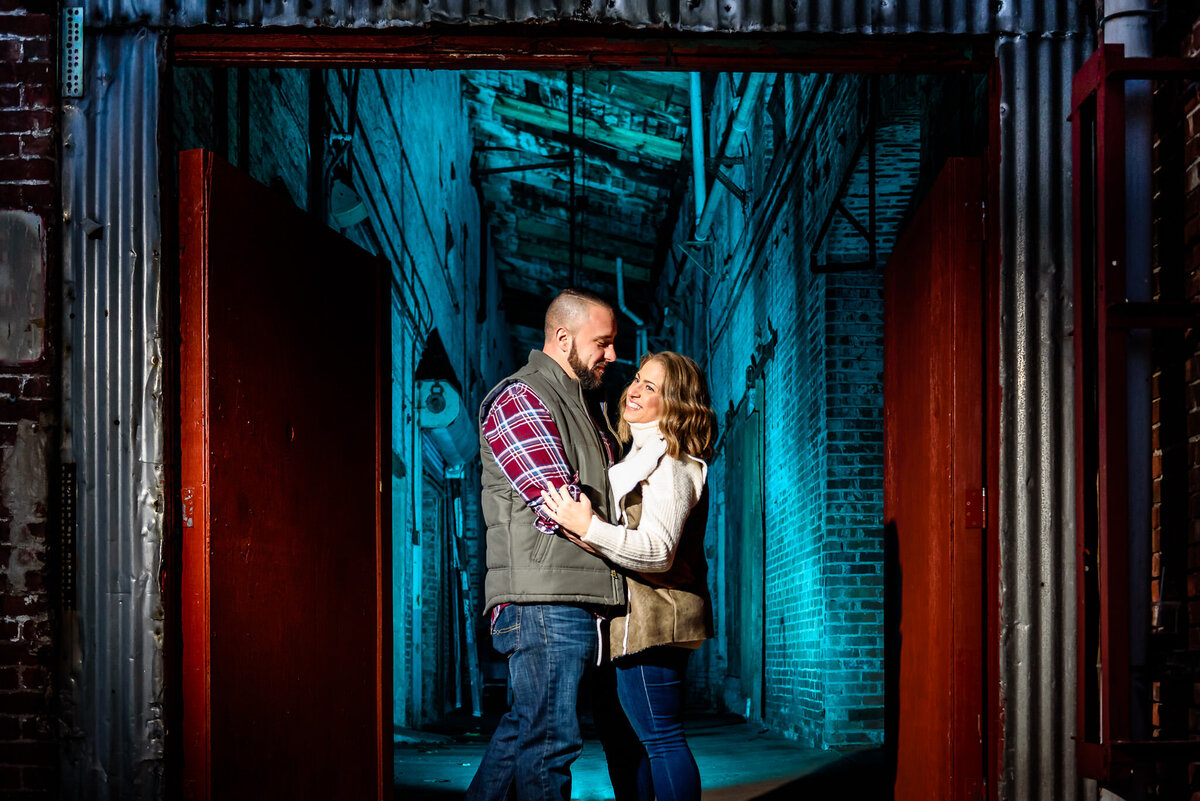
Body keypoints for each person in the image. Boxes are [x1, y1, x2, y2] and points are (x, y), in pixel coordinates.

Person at [465, 287, 625, 801]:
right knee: (550, 745)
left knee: (527, 731)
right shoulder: (523, 396)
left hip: (568, 593)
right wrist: (629, 540)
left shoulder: (582, 403)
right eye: (602, 343)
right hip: (544, 599)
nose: (612, 355)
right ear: (562, 337)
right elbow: (560, 505)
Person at [541, 351, 717, 801]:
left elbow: (657, 552)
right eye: (637, 379)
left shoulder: (674, 463)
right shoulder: (639, 456)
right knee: (626, 743)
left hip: (656, 619)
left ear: (676, 403)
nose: (634, 390)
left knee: (659, 739)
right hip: (627, 622)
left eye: (651, 387)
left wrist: (589, 528)